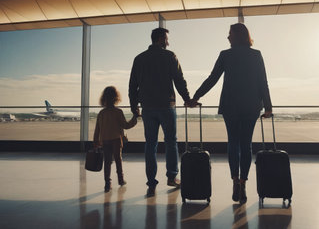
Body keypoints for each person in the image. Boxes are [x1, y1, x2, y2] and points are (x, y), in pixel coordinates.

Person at [190, 23, 272, 203]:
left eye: (230, 34)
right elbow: (262, 81)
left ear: (237, 36)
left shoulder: (225, 55)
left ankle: (235, 180)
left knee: (233, 143)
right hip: (251, 106)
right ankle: (243, 182)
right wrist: (268, 106)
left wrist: (195, 97)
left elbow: (212, 79)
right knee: (246, 145)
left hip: (230, 105)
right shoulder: (256, 55)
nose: (228, 37)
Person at [129, 27, 191, 196]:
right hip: (166, 106)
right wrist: (187, 99)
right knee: (171, 141)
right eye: (166, 39)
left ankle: (151, 180)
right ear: (161, 39)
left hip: (147, 107)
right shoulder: (170, 56)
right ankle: (172, 177)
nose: (168, 42)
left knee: (150, 144)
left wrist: (134, 105)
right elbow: (179, 80)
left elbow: (133, 85)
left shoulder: (139, 58)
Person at [94, 86, 137, 192]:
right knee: (118, 160)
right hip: (116, 140)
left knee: (107, 162)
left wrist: (96, 140)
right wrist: (135, 117)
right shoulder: (118, 112)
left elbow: (97, 129)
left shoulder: (101, 113)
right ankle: (121, 180)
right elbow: (125, 125)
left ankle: (107, 184)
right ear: (116, 98)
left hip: (105, 140)